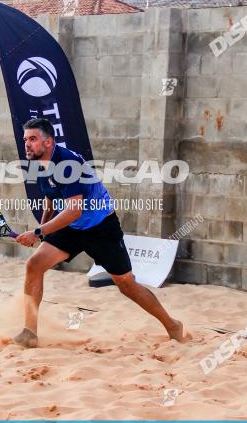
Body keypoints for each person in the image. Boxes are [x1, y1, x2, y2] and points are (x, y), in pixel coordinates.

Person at [13, 117, 189, 348]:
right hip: (71, 226)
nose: (27, 144)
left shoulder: (67, 163)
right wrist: (44, 230)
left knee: (126, 284)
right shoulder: (40, 163)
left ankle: (172, 324)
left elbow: (74, 211)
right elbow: (51, 198)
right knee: (34, 265)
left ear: (48, 142)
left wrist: (37, 232)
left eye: (33, 139)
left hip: (100, 227)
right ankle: (29, 332)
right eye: (26, 139)